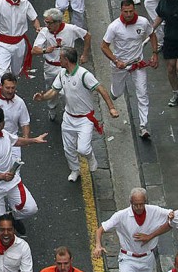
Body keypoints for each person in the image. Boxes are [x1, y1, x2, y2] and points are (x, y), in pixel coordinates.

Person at [34, 46, 119, 181]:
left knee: (83, 149)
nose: (58, 60)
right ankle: (75, 170)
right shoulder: (62, 73)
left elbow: (101, 89)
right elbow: (54, 91)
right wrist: (43, 97)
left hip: (85, 119)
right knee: (68, 149)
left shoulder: (84, 75)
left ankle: (90, 157)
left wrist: (111, 108)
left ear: (66, 60)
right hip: (68, 117)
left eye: (60, 57)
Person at [0, 104, 45, 227]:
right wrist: (2, 176)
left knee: (30, 209)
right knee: (0, 226)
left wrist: (34, 140)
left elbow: (16, 141)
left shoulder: (4, 134)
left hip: (11, 182)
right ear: (1, 123)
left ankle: (11, 217)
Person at [101, 0, 158, 140]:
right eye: (125, 12)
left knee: (142, 93)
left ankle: (143, 126)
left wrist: (155, 54)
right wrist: (116, 60)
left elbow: (152, 35)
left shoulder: (143, 22)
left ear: (134, 10)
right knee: (117, 92)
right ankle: (114, 92)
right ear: (121, 11)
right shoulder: (114, 27)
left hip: (137, 65)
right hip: (119, 66)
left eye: (131, 11)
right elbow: (104, 46)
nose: (128, 14)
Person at [94, 188, 172, 272]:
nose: (139, 207)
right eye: (136, 205)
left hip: (147, 259)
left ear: (145, 202)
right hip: (128, 259)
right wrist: (98, 245)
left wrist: (150, 236)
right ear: (131, 203)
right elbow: (100, 230)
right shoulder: (121, 215)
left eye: (141, 204)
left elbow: (171, 218)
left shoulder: (154, 210)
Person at [32, 8, 91, 121]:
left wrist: (85, 54)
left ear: (58, 22)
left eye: (49, 23)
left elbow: (87, 36)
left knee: (67, 91)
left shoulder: (71, 29)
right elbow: (34, 50)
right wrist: (45, 51)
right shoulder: (44, 32)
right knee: (51, 91)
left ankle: (69, 112)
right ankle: (52, 108)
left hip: (67, 67)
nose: (47, 25)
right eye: (46, 22)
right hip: (50, 67)